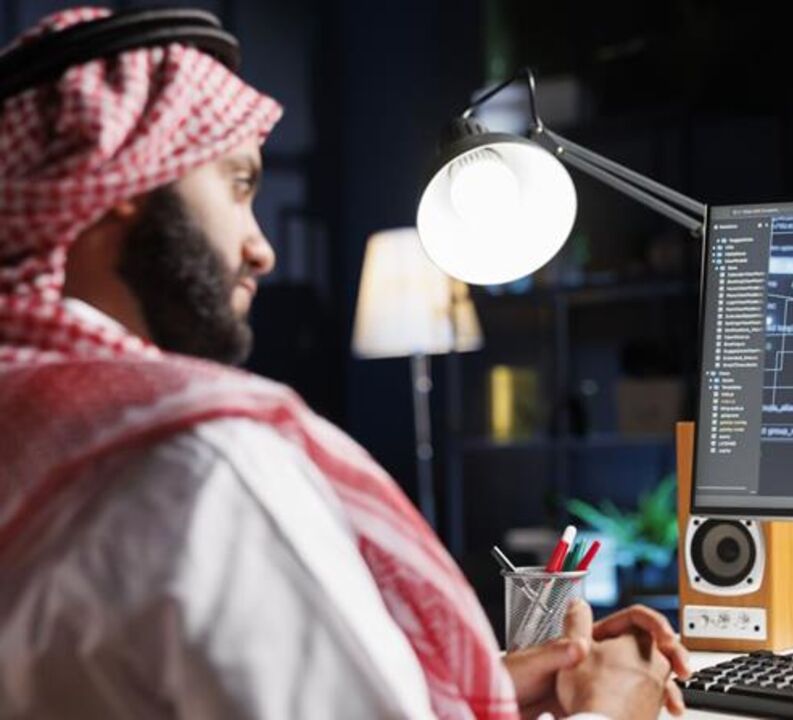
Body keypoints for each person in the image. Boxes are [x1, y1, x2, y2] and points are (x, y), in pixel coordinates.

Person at [0, 8, 690, 719]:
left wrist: (464, 690)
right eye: (239, 185)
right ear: (122, 181)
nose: (259, 247)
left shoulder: (28, 436)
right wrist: (611, 706)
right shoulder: (198, 466)